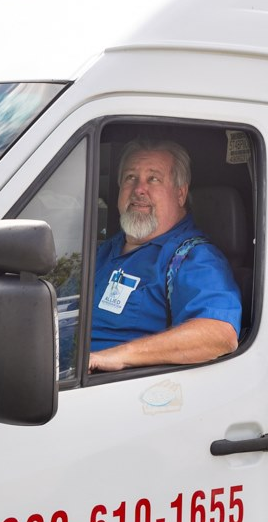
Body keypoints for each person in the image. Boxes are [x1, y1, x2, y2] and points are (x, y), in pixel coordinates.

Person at [89, 140, 241, 372]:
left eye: (154, 179)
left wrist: (118, 356)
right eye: (131, 177)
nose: (139, 189)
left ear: (180, 194)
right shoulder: (105, 249)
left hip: (114, 390)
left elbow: (220, 334)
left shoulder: (193, 258)